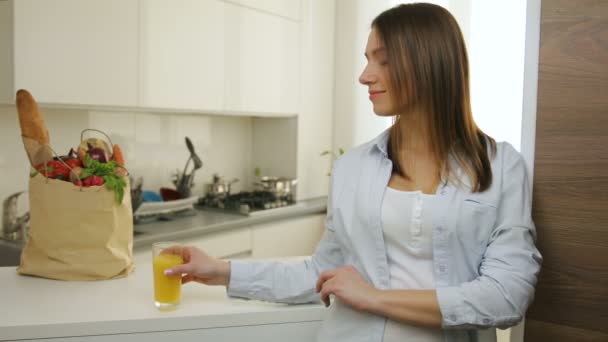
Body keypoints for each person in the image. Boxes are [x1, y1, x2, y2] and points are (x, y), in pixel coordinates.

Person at [164, 3, 542, 341]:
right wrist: (223, 271)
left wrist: (375, 298)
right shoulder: (352, 168)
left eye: (383, 60)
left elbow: (506, 296)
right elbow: (321, 272)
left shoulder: (501, 165)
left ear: (429, 62)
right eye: (367, 59)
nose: (365, 75)